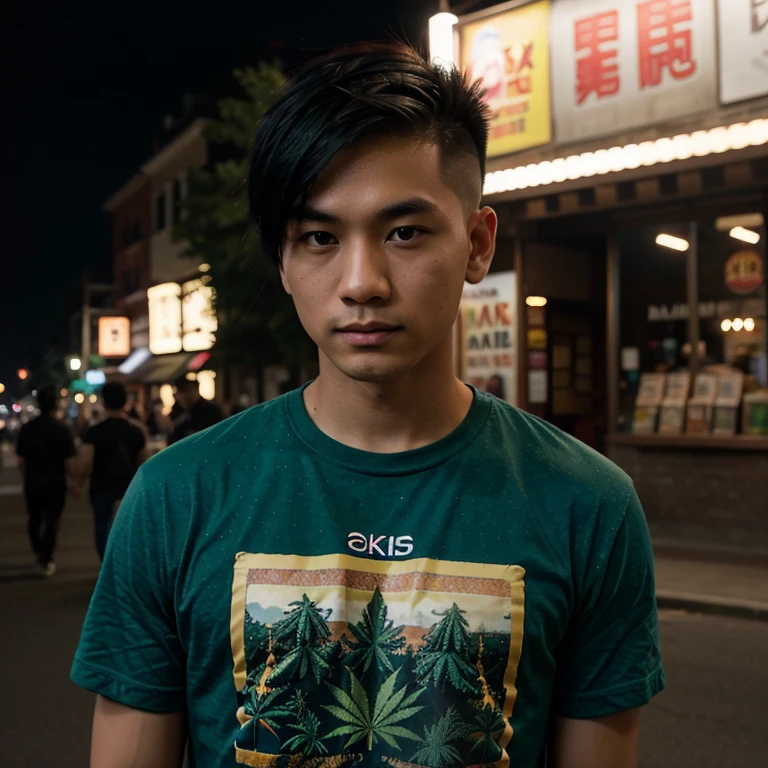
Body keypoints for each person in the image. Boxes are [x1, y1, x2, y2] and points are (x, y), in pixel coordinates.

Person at [72, 44, 663, 768]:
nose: (362, 282)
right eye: (319, 237)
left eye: (404, 232)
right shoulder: (175, 497)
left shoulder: (589, 505)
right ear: (283, 260)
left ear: (477, 245)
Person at [75, 382, 148, 561]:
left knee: (102, 525)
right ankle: (126, 563)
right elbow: (144, 462)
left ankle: (106, 562)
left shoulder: (95, 431)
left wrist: (78, 483)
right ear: (125, 403)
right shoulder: (137, 430)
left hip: (101, 484)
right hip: (130, 486)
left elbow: (86, 461)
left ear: (103, 403)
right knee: (130, 526)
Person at [15, 385, 78, 576]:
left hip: (33, 481)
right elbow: (69, 460)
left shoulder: (28, 429)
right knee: (52, 521)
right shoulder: (61, 429)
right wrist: (75, 482)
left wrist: (26, 477)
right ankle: (46, 556)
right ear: (55, 405)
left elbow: (21, 460)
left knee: (34, 519)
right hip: (56, 482)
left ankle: (39, 550)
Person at [167, 375, 224, 444]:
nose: (183, 396)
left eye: (187, 390)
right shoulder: (179, 414)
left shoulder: (211, 410)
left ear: (197, 388)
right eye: (180, 392)